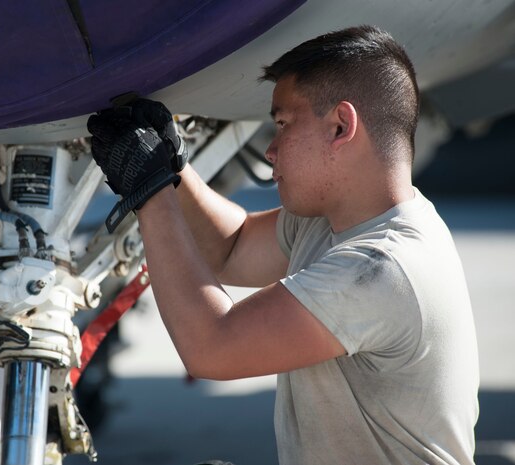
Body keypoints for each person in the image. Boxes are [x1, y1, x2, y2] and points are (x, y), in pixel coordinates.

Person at [87, 25, 479, 465]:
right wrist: (174, 166)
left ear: (340, 126)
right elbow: (230, 248)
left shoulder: (383, 267)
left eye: (283, 124)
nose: (271, 150)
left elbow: (211, 349)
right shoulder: (343, 221)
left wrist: (150, 192)